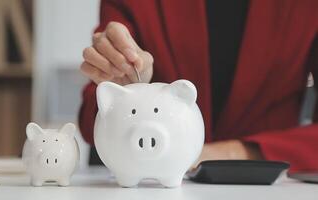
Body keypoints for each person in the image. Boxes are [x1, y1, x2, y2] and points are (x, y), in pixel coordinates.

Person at [78, 0, 318, 172]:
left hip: (270, 183)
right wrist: (128, 80)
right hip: (152, 185)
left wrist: (239, 152)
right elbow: (92, 121)